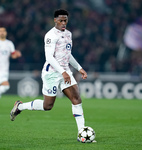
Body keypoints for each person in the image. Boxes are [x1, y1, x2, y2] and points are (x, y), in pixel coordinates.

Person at [10, 9, 88, 140]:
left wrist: (79, 68)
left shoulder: (68, 34)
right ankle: (20, 106)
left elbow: (67, 55)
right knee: (48, 106)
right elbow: (49, 57)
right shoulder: (50, 35)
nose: (64, 23)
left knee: (76, 99)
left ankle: (81, 134)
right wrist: (63, 72)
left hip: (65, 72)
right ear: (55, 20)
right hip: (52, 73)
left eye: (65, 20)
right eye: (61, 20)